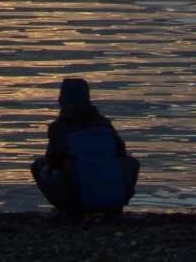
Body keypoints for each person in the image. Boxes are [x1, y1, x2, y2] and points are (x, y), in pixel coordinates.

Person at [31, 77, 140, 220]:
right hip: (113, 198)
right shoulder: (103, 123)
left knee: (39, 166)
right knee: (131, 162)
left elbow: (53, 161)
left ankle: (69, 209)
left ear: (62, 100)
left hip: (79, 198)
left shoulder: (59, 127)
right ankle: (114, 208)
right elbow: (120, 152)